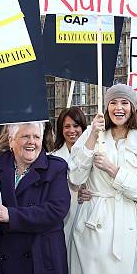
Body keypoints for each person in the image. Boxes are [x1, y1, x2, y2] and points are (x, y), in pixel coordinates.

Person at [69, 84, 137, 274]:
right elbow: (75, 177)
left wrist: (114, 171)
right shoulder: (92, 134)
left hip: (127, 225)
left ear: (133, 108)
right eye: (113, 102)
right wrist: (91, 136)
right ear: (106, 107)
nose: (119, 108)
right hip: (94, 224)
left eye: (125, 103)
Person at [0, 121, 70, 274]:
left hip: (42, 261)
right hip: (7, 260)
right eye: (25, 136)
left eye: (36, 137)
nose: (31, 141)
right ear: (11, 140)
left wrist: (11, 215)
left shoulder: (55, 168)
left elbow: (56, 210)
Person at [51, 106, 87, 248]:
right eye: (67, 126)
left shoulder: (94, 154)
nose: (71, 130)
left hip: (87, 218)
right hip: (64, 219)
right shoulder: (52, 158)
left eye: (76, 126)